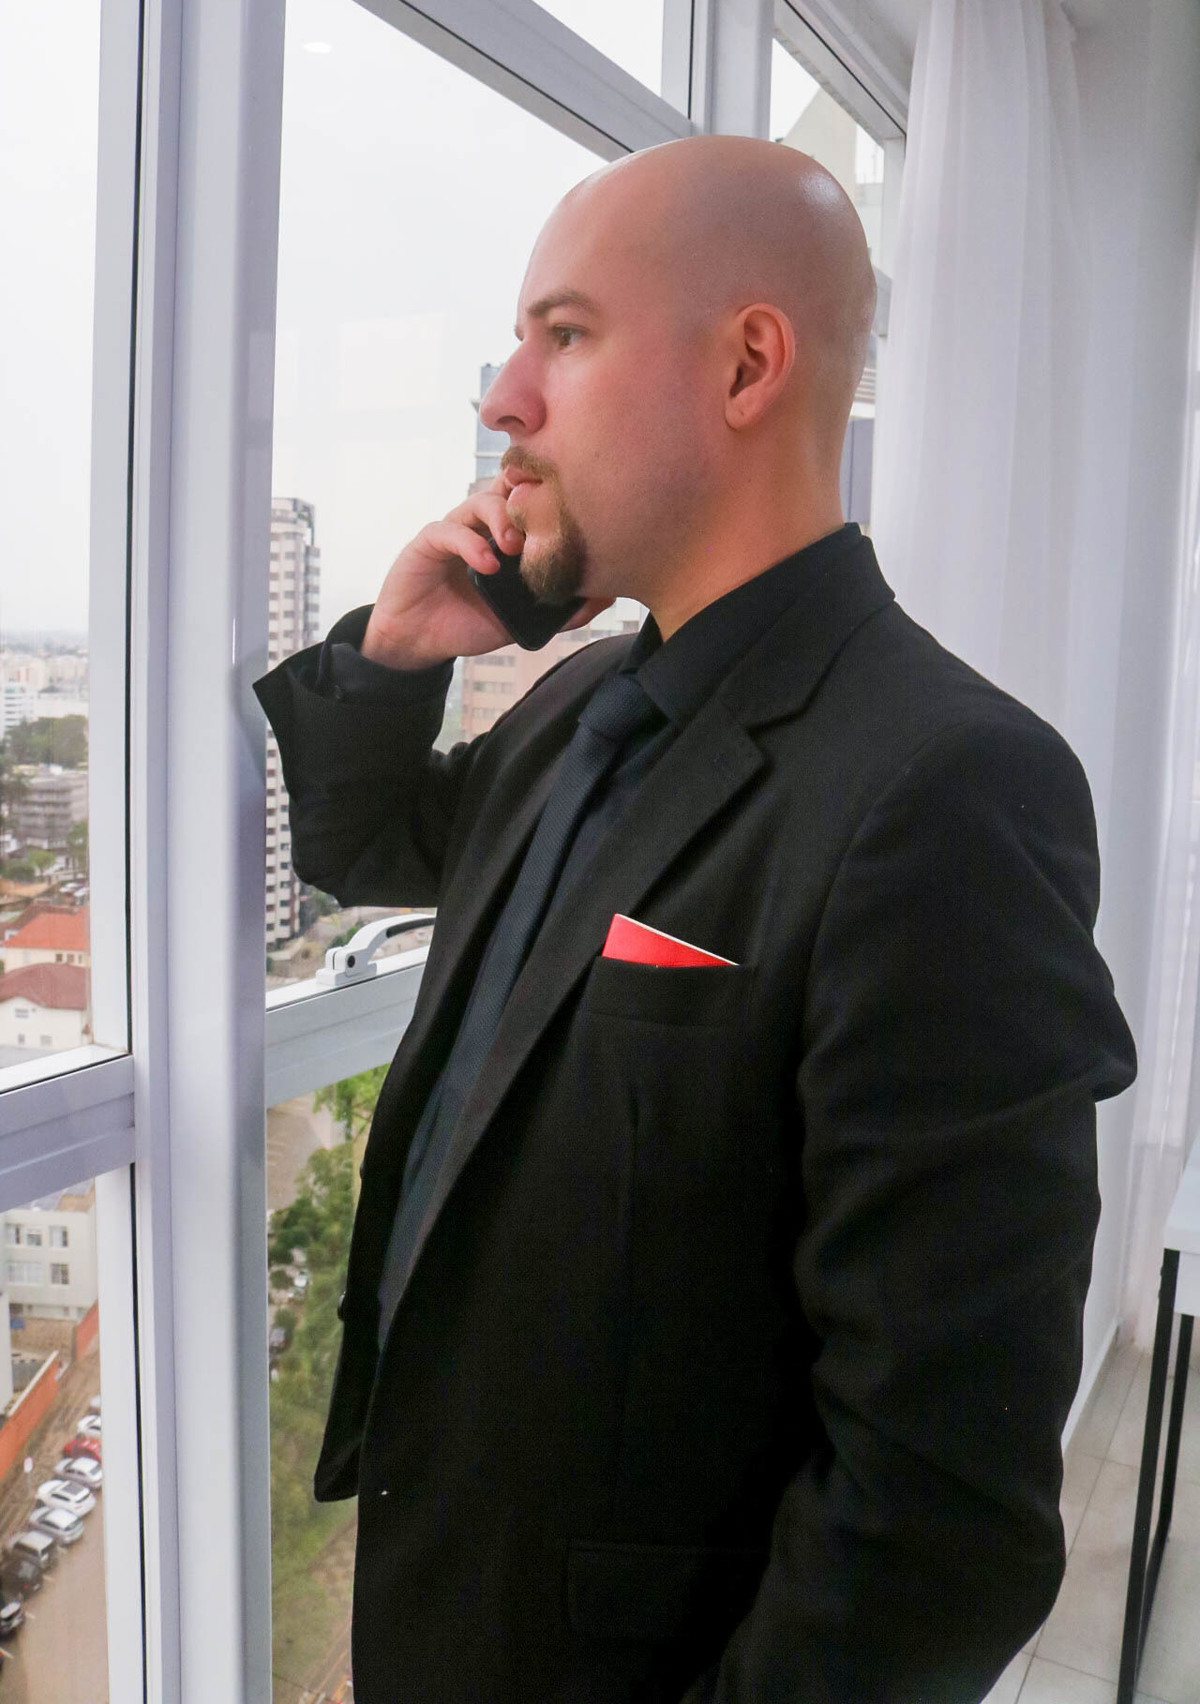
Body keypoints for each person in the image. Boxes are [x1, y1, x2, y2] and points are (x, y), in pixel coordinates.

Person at [254, 134, 1137, 1704]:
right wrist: (396, 653)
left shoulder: (944, 785)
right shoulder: (581, 700)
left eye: (565, 334)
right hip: (450, 1599)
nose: (503, 398)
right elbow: (369, 842)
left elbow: (936, 1518)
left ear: (746, 367)